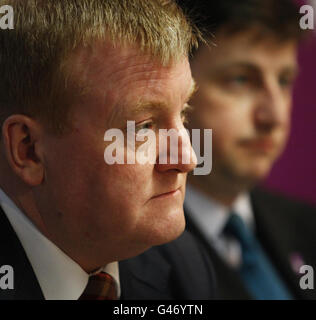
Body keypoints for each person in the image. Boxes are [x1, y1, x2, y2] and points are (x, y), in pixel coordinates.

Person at [0, 0, 215, 300]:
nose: (188, 159)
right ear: (29, 150)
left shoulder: (183, 269)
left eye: (184, 112)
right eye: (144, 127)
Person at [180, 0, 316, 299]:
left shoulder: (308, 228)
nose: (274, 116)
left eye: (283, 81)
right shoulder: (129, 251)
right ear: (173, 88)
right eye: (241, 79)